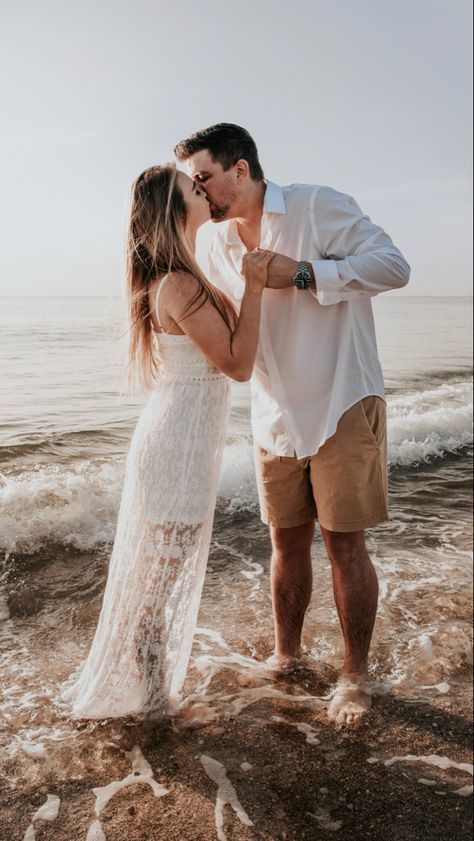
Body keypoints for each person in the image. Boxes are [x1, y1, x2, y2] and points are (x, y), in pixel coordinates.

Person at [174, 123, 411, 725]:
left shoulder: (316, 204)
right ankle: (288, 655)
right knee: (285, 543)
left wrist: (304, 273)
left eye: (204, 178)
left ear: (241, 170)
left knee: (346, 545)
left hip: (340, 400)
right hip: (272, 413)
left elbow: (393, 266)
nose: (199, 192)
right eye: (193, 183)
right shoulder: (211, 244)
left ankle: (354, 676)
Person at [61, 163, 273, 720]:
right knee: (154, 593)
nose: (201, 190)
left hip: (178, 442)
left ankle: (153, 698)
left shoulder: (181, 274)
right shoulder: (178, 283)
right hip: (176, 448)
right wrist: (254, 284)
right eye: (192, 188)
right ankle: (155, 706)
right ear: (176, 210)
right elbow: (237, 364)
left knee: (153, 586)